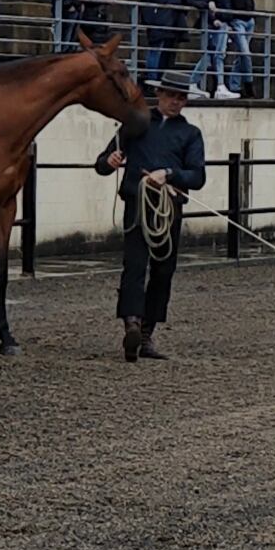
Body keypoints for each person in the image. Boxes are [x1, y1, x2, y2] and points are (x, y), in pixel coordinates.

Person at [97, 74, 206, 363]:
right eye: (171, 95)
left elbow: (198, 176)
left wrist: (169, 174)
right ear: (159, 93)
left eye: (181, 98)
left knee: (163, 269)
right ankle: (132, 323)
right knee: (134, 265)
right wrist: (110, 162)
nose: (175, 102)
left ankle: (146, 331)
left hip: (169, 207)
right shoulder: (136, 124)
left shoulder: (191, 134)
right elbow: (103, 162)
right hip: (137, 203)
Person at [189, 0, 246, 99]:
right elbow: (204, 3)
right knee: (217, 55)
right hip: (217, 25)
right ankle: (218, 86)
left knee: (212, 55)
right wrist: (213, 18)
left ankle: (195, 83)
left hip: (219, 24)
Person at [137, 0, 193, 85]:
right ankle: (152, 80)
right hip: (158, 16)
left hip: (174, 17)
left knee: (169, 50)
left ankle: (164, 80)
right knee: (156, 48)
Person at [218, 0, 259, 97]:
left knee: (242, 55)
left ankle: (235, 86)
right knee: (245, 53)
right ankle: (248, 84)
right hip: (236, 20)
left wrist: (251, 10)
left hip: (248, 19)